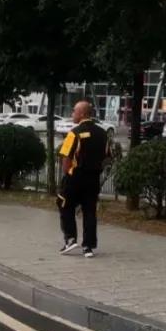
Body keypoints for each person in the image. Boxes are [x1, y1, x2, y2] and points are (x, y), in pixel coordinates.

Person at [58, 100, 108, 258]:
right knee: (89, 210)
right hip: (93, 178)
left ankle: (70, 238)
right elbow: (107, 157)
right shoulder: (103, 133)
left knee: (64, 203)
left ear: (82, 113)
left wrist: (67, 175)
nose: (72, 114)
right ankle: (88, 247)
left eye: (74, 111)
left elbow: (66, 157)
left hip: (76, 177)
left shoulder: (75, 132)